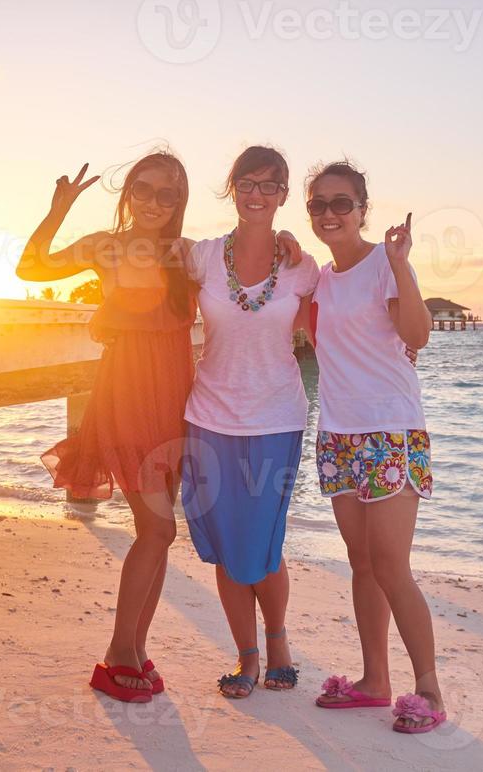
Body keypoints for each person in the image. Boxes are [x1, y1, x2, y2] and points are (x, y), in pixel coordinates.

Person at [16, 152, 195, 704]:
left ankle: (137, 649)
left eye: (168, 195)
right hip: (125, 396)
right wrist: (58, 210)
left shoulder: (186, 253)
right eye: (144, 189)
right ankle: (120, 649)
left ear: (180, 202)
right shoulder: (105, 246)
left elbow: (252, 278)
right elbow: (32, 268)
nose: (153, 202)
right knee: (159, 530)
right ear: (127, 191)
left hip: (176, 399)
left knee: (157, 535)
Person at [302, 160, 447, 734]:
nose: (330, 214)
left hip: (391, 431)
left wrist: (401, 264)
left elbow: (417, 336)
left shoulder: (384, 267)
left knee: (391, 564)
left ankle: (429, 690)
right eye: (319, 205)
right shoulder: (321, 278)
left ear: (364, 209)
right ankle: (374, 681)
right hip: (337, 433)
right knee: (360, 561)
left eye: (342, 203)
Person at [176, 145, 319, 699]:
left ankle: (278, 641)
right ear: (232, 189)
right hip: (208, 415)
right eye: (247, 184)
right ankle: (247, 656)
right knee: (227, 542)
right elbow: (153, 292)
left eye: (269, 186)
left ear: (285, 196)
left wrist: (403, 348)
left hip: (276, 418)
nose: (257, 195)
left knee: (261, 541)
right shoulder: (203, 258)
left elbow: (346, 317)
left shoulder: (301, 267)